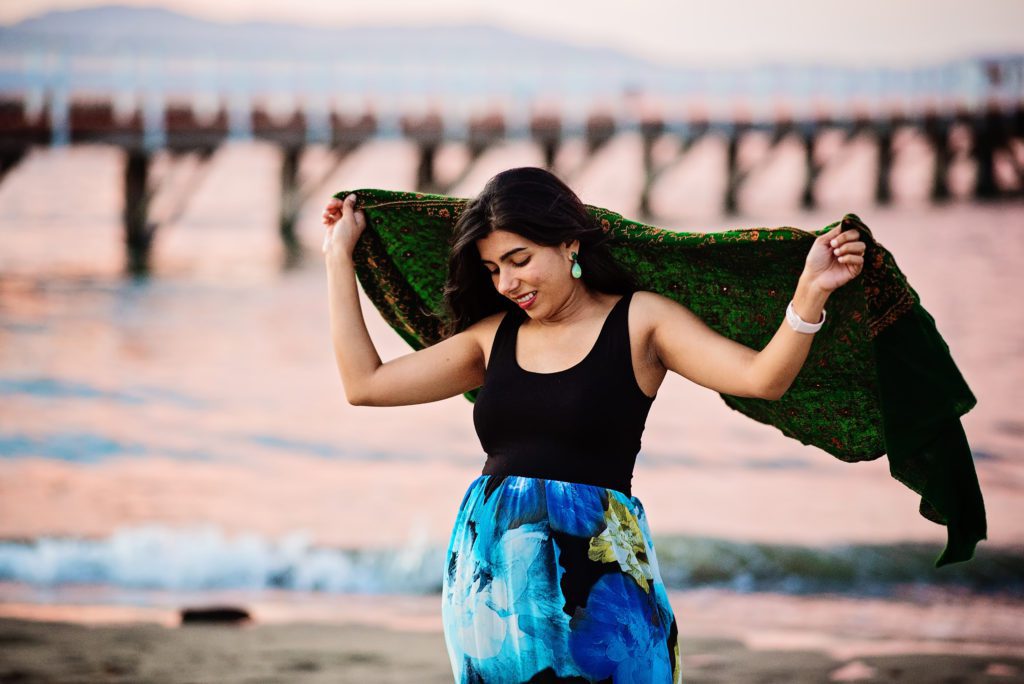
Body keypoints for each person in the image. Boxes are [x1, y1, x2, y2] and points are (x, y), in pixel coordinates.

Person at [320, 167, 865, 683]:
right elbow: (364, 385)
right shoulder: (492, 338)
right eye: (493, 270)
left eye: (519, 259)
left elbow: (760, 377)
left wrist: (810, 292)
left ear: (568, 244)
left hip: (604, 579)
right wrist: (337, 258)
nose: (507, 282)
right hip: (493, 584)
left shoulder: (642, 320)